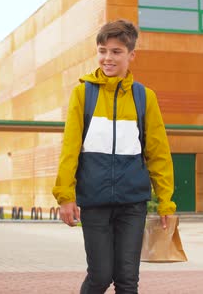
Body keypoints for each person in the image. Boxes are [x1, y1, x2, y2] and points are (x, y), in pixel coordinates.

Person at [52, 19, 176, 294]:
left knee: (127, 279)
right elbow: (70, 149)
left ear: (132, 55)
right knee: (99, 276)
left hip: (133, 203)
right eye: (102, 50)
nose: (108, 58)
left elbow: (158, 153)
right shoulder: (83, 93)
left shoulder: (145, 98)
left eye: (116, 51)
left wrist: (166, 201)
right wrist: (65, 195)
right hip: (94, 201)